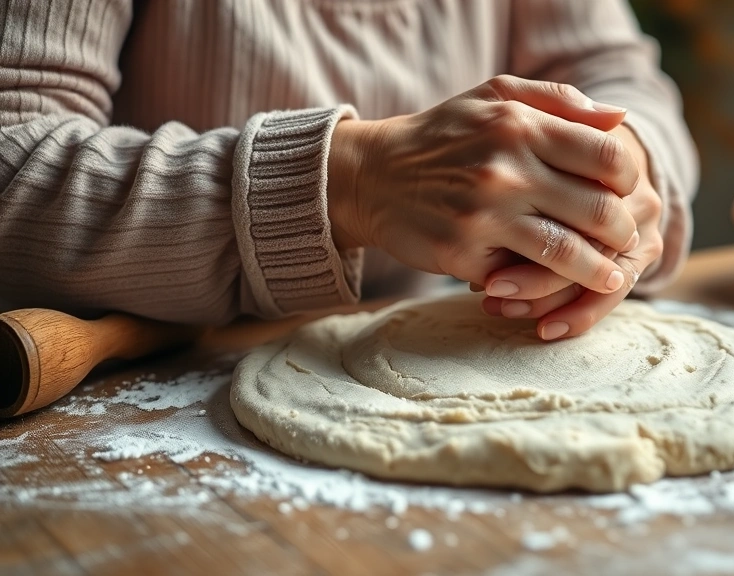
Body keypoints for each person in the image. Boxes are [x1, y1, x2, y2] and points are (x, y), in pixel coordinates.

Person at [0, 0, 697, 341]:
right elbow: (12, 154)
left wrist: (621, 174)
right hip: (164, 377)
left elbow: (614, 74)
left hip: (459, 342)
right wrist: (349, 182)